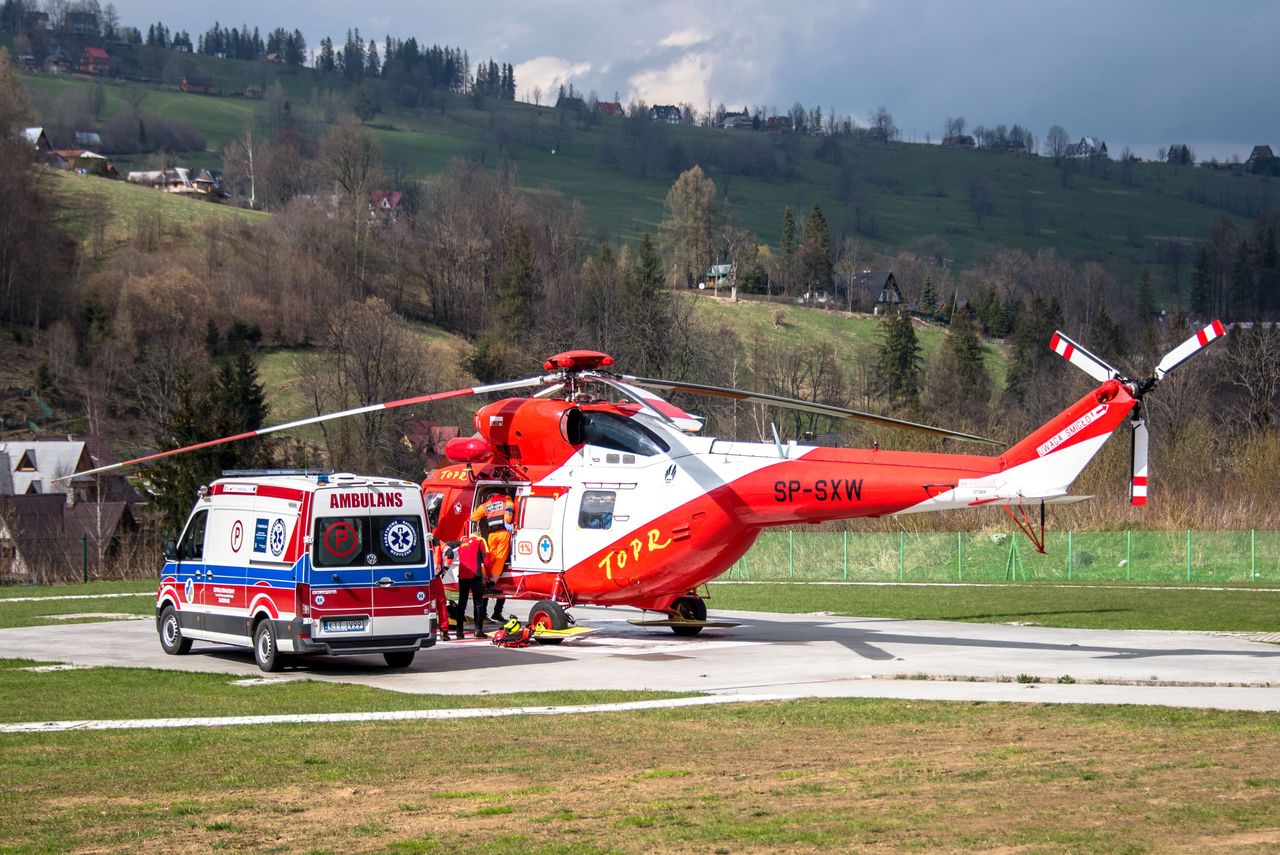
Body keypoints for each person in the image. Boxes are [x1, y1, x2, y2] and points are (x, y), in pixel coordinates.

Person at [471, 488, 514, 622]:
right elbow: (510, 509)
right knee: (501, 559)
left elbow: (473, 517)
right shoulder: (506, 499)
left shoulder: (486, 505)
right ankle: (493, 581)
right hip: (503, 533)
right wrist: (507, 521)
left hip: (491, 535)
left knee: (492, 558)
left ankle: (488, 578)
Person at [451, 517, 489, 639]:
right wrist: (489, 574)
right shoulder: (480, 541)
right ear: (478, 534)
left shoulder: (463, 543)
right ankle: (478, 630)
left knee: (462, 603)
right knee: (478, 602)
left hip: (463, 575)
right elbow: (486, 559)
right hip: (475, 574)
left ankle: (459, 631)